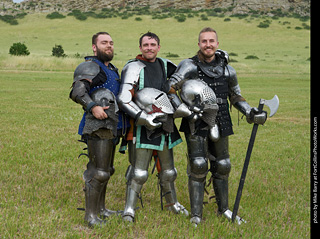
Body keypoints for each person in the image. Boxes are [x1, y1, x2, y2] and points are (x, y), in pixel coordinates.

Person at [165, 27, 267, 225]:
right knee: (198, 165)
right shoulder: (189, 66)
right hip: (196, 120)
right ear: (199, 44)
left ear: (217, 44)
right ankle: (196, 214)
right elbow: (170, 88)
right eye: (204, 41)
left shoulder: (228, 70)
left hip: (222, 119)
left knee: (223, 165)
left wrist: (249, 111)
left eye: (211, 41)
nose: (208, 45)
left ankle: (225, 210)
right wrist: (184, 109)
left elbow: (235, 96)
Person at [117, 32, 188, 222]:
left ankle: (171, 203)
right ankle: (129, 209)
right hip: (142, 125)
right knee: (139, 172)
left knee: (169, 171)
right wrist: (144, 117)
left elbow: (171, 90)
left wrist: (180, 107)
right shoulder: (134, 67)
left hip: (165, 123)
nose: (149, 48)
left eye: (153, 44)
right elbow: (124, 98)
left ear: (159, 47)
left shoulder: (166, 65)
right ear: (140, 47)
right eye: (146, 45)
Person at [70, 32, 129, 227]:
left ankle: (102, 209)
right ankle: (91, 216)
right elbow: (78, 91)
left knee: (108, 170)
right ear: (94, 47)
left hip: (112, 125)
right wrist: (92, 106)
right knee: (99, 172)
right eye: (104, 43)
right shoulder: (90, 66)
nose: (109, 46)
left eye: (111, 43)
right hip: (97, 127)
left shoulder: (110, 69)